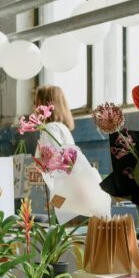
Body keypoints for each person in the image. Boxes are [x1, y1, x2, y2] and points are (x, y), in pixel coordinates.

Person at [33, 85, 111, 223]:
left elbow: (54, 166)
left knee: (60, 227)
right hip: (73, 190)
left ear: (45, 105)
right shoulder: (62, 128)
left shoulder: (49, 129)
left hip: (64, 191)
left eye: (36, 102)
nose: (34, 107)